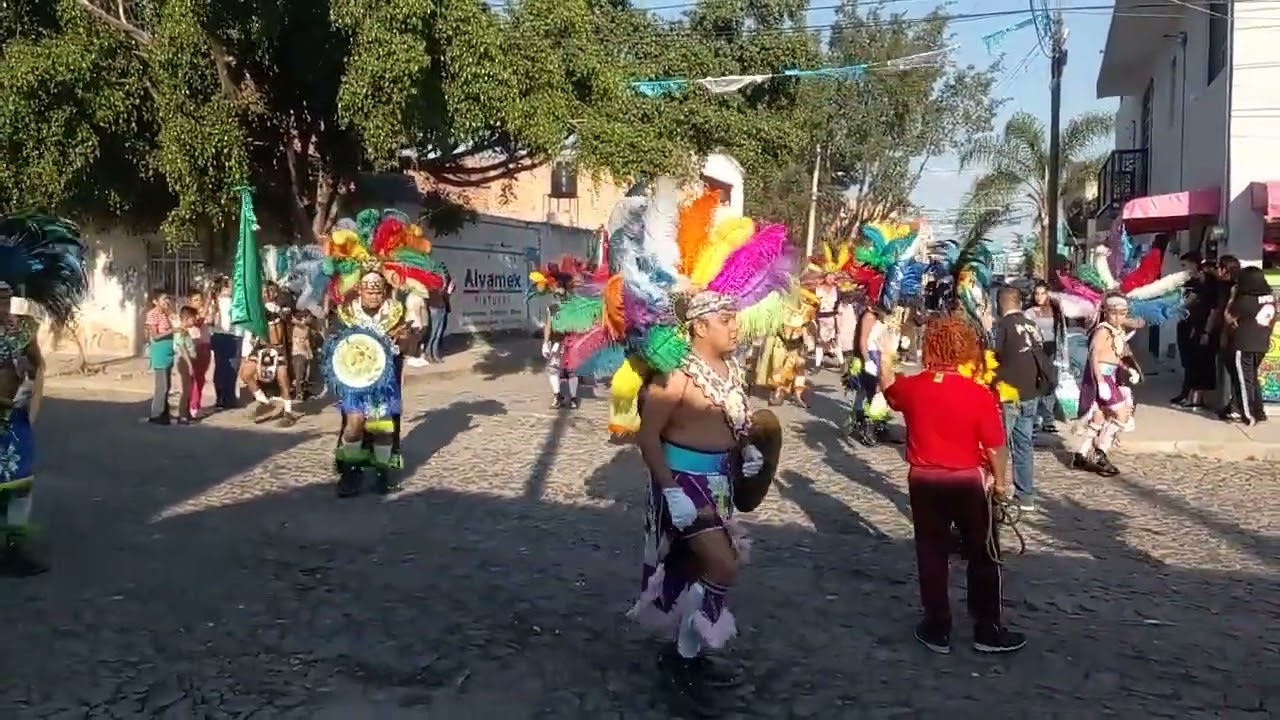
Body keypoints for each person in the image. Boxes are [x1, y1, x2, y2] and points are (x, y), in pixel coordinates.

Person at [877, 316, 1024, 655]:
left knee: (931, 553)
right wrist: (1001, 483)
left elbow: (888, 388)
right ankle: (986, 629)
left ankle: (937, 626)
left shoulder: (914, 386)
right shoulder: (978, 394)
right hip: (967, 482)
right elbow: (995, 447)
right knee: (983, 554)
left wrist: (886, 354)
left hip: (924, 481)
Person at [324, 210, 444, 497]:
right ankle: (351, 473)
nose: (374, 294)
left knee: (381, 428)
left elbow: (406, 346)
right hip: (355, 382)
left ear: (385, 289)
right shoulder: (347, 314)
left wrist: (405, 339)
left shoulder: (395, 313)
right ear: (360, 290)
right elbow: (335, 345)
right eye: (368, 289)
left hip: (383, 382)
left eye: (378, 289)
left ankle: (381, 473)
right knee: (353, 426)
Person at [0, 214, 89, 575]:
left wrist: (30, 385)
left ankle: (12, 546)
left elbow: (38, 366)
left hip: (14, 419)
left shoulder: (23, 329)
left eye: (5, 300)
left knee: (17, 482)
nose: (2, 307)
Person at [992, 286, 1050, 510]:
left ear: (1001, 303)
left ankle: (998, 489)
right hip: (1031, 392)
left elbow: (994, 356)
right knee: (1024, 444)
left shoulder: (1004, 326)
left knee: (1000, 443)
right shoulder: (1031, 325)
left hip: (1009, 392)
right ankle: (1025, 495)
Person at [1072, 294, 1138, 476]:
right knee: (1122, 414)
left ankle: (1081, 455)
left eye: (1122, 313)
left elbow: (1115, 356)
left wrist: (1128, 369)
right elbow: (1094, 356)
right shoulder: (1102, 330)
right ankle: (1101, 452)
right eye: (1114, 313)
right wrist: (1101, 382)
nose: (1118, 317)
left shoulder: (1117, 331)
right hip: (1102, 378)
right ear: (1106, 313)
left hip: (1111, 376)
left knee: (1099, 417)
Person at [1222, 266, 1276, 425]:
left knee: (1243, 382)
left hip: (1243, 344)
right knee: (1252, 378)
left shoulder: (1244, 300)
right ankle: (1259, 411)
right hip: (1261, 343)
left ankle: (1247, 414)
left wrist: (1232, 297)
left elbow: (1228, 317)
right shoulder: (1271, 298)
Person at [238, 282, 296, 426]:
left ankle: (288, 412)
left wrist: (276, 310)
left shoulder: (282, 308)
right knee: (245, 373)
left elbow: (286, 316)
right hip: (260, 348)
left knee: (283, 380)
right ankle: (264, 401)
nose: (267, 293)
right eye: (265, 291)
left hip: (277, 349)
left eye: (270, 290)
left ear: (275, 293)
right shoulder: (257, 311)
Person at [1172, 253, 1215, 408]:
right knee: (1186, 360)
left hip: (1196, 326)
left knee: (1193, 361)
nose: (1182, 269)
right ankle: (1185, 392)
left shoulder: (1204, 283)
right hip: (1185, 323)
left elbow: (1187, 302)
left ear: (1194, 264)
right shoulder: (1187, 282)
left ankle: (1192, 395)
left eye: (1184, 266)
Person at [1024, 280, 1065, 433]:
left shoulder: (1056, 311)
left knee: (1051, 384)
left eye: (1043, 293)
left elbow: (1061, 332)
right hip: (1036, 350)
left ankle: (1048, 419)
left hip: (1052, 350)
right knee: (1037, 384)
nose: (1039, 297)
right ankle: (1035, 419)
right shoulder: (1029, 313)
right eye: (1037, 293)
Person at [1209, 255, 1242, 417]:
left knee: (1234, 371)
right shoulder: (1222, 285)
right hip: (1222, 330)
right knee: (1225, 369)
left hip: (1230, 333)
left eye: (1219, 267)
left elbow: (1227, 311)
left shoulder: (1236, 287)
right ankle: (1229, 404)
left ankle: (1234, 405)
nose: (1217, 270)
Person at [207, 277, 240, 410]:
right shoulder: (215, 302)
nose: (228, 289)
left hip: (234, 335)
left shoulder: (236, 301)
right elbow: (209, 319)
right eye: (226, 286)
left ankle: (229, 397)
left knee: (232, 368)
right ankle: (221, 397)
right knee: (221, 367)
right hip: (220, 335)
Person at [145, 287, 176, 425]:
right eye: (164, 299)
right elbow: (155, 336)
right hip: (160, 352)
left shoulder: (166, 314)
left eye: (167, 299)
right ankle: (156, 413)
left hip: (168, 352)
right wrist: (171, 331)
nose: (167, 301)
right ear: (155, 301)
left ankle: (164, 411)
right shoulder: (152, 314)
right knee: (161, 385)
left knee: (167, 384)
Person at [186, 291, 212, 418]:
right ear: (190, 301)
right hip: (195, 346)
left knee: (201, 378)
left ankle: (196, 404)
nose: (199, 302)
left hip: (205, 345)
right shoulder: (189, 314)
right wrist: (207, 304)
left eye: (200, 299)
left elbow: (210, 321)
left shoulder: (202, 312)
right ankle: (192, 406)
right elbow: (198, 322)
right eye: (195, 300)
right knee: (196, 377)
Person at [173, 306, 200, 424]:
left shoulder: (185, 331)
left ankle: (187, 413)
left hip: (189, 360)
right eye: (193, 318)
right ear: (187, 318)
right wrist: (189, 365)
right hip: (184, 361)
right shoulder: (180, 331)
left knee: (189, 388)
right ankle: (182, 414)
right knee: (186, 389)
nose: (194, 321)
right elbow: (182, 348)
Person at [424, 282, 449, 363]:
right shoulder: (429, 286)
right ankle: (428, 354)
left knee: (438, 334)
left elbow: (445, 296)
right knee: (433, 333)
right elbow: (427, 299)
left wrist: (446, 292)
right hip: (434, 308)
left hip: (442, 308)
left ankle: (435, 354)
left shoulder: (440, 286)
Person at [404, 289, 429, 368]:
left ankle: (414, 357)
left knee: (413, 340)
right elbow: (417, 310)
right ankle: (414, 358)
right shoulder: (418, 297)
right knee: (417, 340)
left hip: (410, 320)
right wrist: (420, 323)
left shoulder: (409, 296)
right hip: (417, 322)